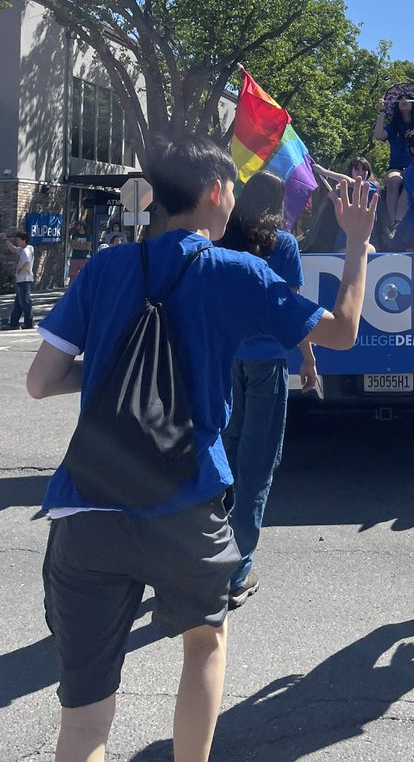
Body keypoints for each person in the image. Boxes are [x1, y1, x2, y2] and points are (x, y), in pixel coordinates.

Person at [26, 135, 376, 762]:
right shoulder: (234, 273)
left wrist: (112, 366)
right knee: (204, 644)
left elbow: (41, 380)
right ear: (216, 192)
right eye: (232, 190)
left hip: (85, 508)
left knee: (83, 722)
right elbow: (344, 332)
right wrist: (355, 245)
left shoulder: (107, 266)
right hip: (185, 504)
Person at [219, 171, 317, 608]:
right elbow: (292, 311)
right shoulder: (284, 245)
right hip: (266, 361)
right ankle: (238, 571)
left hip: (223, 360)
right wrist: (309, 360)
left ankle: (205, 556)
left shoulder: (222, 240)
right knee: (257, 464)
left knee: (223, 456)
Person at [373, 95, 414, 225]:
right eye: (401, 98)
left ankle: (398, 222)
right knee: (393, 180)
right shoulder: (393, 127)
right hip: (396, 167)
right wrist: (382, 111)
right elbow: (378, 136)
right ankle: (391, 224)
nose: (404, 100)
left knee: (409, 182)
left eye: (407, 98)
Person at [314, 158, 380, 250]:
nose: (361, 172)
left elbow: (352, 183)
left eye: (364, 169)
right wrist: (334, 198)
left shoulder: (370, 186)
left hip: (367, 242)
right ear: (351, 171)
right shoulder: (340, 191)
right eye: (357, 169)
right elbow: (340, 216)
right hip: (343, 242)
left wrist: (323, 171)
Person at [1, 230, 35, 330]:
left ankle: (28, 323)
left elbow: (27, 264)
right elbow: (13, 249)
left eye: (18, 240)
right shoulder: (28, 248)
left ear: (23, 240)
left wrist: (19, 271)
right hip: (22, 280)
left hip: (24, 279)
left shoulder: (25, 251)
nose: (17, 241)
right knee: (18, 304)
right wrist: (5, 239)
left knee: (25, 302)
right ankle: (13, 323)